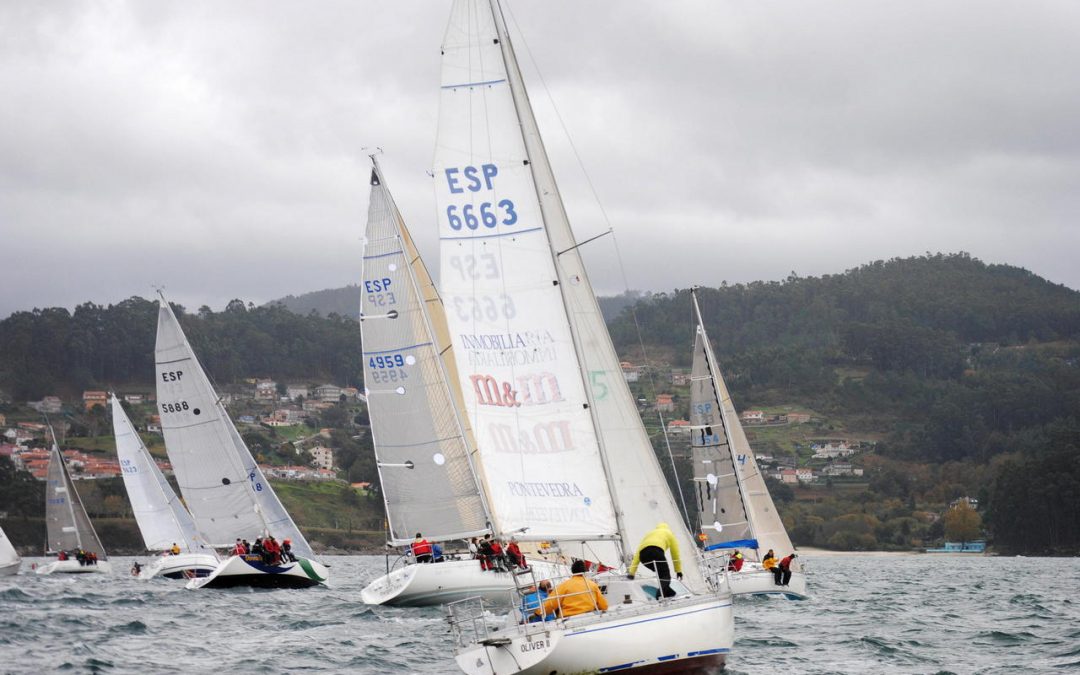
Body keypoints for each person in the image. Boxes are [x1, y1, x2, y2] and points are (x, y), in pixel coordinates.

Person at [627, 522, 682, 598]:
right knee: (665, 577)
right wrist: (678, 571)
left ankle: (672, 594)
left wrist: (632, 573)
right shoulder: (669, 534)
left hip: (643, 556)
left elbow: (637, 554)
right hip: (656, 552)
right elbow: (675, 554)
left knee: (662, 576)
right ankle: (659, 596)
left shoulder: (649, 534)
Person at [539, 560, 608, 619]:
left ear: (572, 570)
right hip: (589, 615)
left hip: (568, 617)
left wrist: (538, 612)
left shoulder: (564, 585)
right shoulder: (593, 585)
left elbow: (550, 604)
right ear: (584, 571)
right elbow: (604, 605)